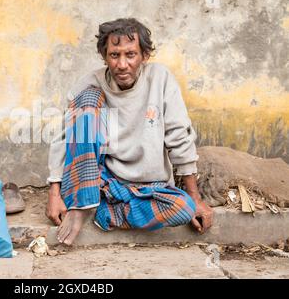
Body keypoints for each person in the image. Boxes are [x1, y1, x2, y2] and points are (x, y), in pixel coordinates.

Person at [46, 18, 213, 245]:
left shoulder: (160, 79)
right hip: (103, 181)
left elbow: (179, 136)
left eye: (130, 55)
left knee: (183, 208)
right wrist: (54, 196)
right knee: (88, 98)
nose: (122, 64)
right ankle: (83, 202)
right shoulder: (89, 82)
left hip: (150, 187)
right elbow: (64, 139)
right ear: (105, 57)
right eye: (114, 55)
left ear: (144, 56)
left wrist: (195, 197)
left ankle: (103, 212)